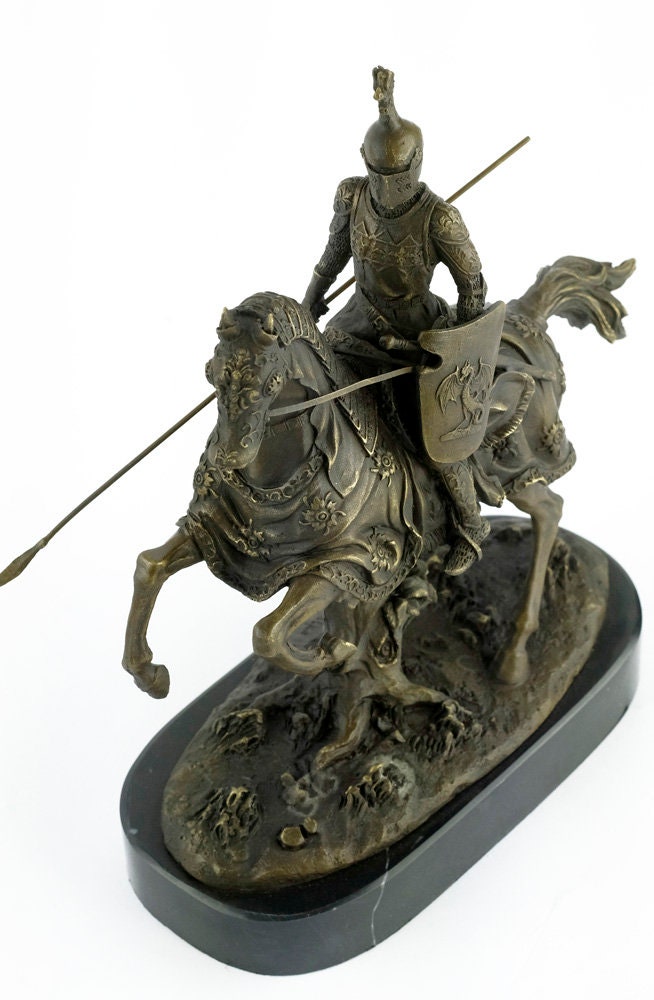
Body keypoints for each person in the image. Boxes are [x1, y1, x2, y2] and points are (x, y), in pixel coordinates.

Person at [302, 66, 490, 576]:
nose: (388, 186)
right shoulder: (352, 195)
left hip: (414, 333)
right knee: (311, 392)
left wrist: (454, 349)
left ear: (418, 163)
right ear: (364, 164)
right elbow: (333, 255)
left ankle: (471, 524)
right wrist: (309, 303)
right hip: (356, 320)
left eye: (398, 176)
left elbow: (473, 287)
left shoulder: (439, 219)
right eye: (381, 175)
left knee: (437, 438)